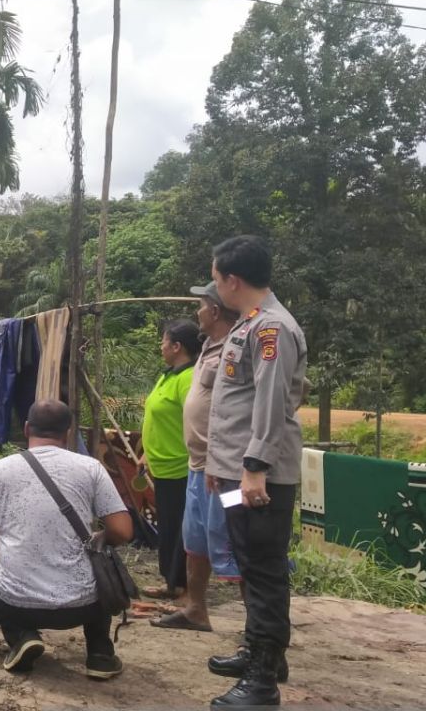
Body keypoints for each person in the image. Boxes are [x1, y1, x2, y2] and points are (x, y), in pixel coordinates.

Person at [205, 235, 306, 708]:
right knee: (248, 559)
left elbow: (268, 401)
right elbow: (235, 405)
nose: (214, 284)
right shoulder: (249, 325)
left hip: (258, 477)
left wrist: (253, 469)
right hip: (237, 475)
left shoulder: (272, 329)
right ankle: (258, 650)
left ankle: (263, 682)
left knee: (264, 570)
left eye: (215, 276)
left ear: (233, 280)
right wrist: (220, 468)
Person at [0, 400, 132, 676]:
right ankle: (100, 655)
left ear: (27, 428)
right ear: (68, 433)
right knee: (100, 563)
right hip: (83, 606)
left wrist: (12, 547)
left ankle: (22, 636)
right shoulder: (90, 468)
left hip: (19, 604)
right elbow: (123, 531)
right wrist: (97, 538)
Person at [151, 283, 241, 633]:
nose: (198, 312)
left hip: (227, 472)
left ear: (215, 311)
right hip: (197, 468)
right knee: (194, 541)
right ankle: (195, 609)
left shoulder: (242, 346)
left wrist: (239, 463)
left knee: (236, 541)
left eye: (201, 305)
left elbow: (283, 395)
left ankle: (260, 631)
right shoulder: (208, 351)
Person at [139, 319, 202, 603]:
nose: (161, 347)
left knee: (182, 532)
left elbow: (197, 421)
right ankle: (171, 583)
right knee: (168, 529)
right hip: (162, 467)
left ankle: (186, 590)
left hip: (181, 468)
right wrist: (145, 454)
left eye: (164, 342)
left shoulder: (189, 379)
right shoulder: (168, 375)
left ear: (177, 346)